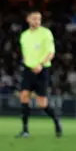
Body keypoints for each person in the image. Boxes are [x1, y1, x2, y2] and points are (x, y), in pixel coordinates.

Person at [16, 10, 62, 138]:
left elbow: (51, 52)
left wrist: (41, 64)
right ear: (28, 19)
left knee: (42, 103)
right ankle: (25, 130)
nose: (37, 21)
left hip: (42, 70)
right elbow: (25, 52)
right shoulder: (24, 35)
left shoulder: (46, 33)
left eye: (39, 19)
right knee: (24, 96)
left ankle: (56, 121)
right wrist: (26, 61)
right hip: (28, 70)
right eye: (34, 18)